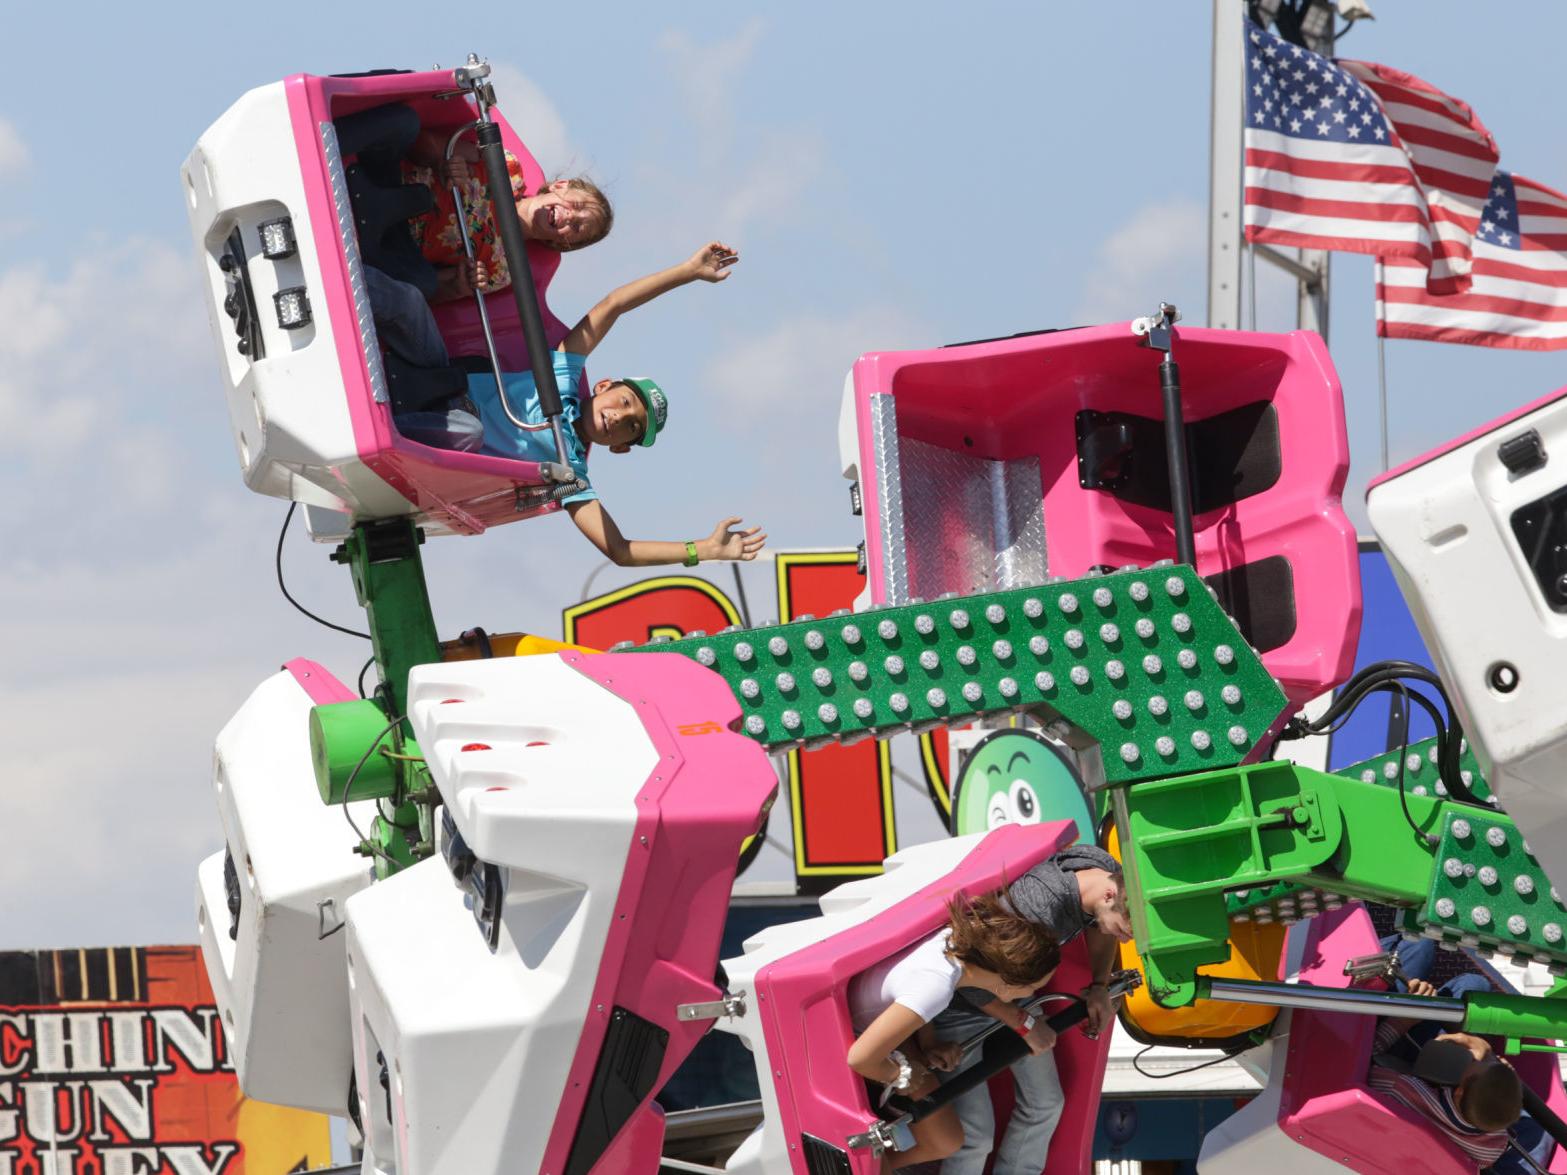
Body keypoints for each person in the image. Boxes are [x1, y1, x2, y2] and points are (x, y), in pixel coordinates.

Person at [464, 239, 764, 567]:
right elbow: (614, 304)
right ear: (603, 385)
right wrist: (687, 272)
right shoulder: (560, 377)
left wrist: (703, 549)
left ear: (620, 448)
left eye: (631, 426)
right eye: (624, 401)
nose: (620, 417)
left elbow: (619, 550)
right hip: (442, 381)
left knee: (462, 429)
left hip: (449, 435)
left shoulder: (569, 471)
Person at [929, 845, 1132, 1175]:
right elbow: (965, 974)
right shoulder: (1040, 906)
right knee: (975, 1137)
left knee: (1046, 1103)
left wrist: (1099, 985)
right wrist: (1022, 1022)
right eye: (1124, 929)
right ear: (1110, 893)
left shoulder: (1102, 869)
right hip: (961, 1006)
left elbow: (1099, 925)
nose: (1124, 940)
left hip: (1017, 998)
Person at [846, 891, 1061, 1173]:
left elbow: (909, 992)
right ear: (1007, 986)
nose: (1032, 995)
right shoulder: (937, 986)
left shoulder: (955, 945)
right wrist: (903, 1077)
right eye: (1033, 988)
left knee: (946, 1140)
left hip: (887, 1035)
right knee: (937, 1140)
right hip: (855, 1039)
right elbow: (860, 1059)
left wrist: (928, 1043)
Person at [1367, 936, 1536, 1170]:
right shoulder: (1493, 1146)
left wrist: (1402, 1020)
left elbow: (1363, 1064)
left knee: (1420, 944)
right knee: (1475, 986)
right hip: (1430, 1080)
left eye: (1481, 1060)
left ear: (1460, 1090)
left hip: (1388, 1050)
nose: (1485, 1055)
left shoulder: (1399, 1088)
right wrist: (1479, 1046)